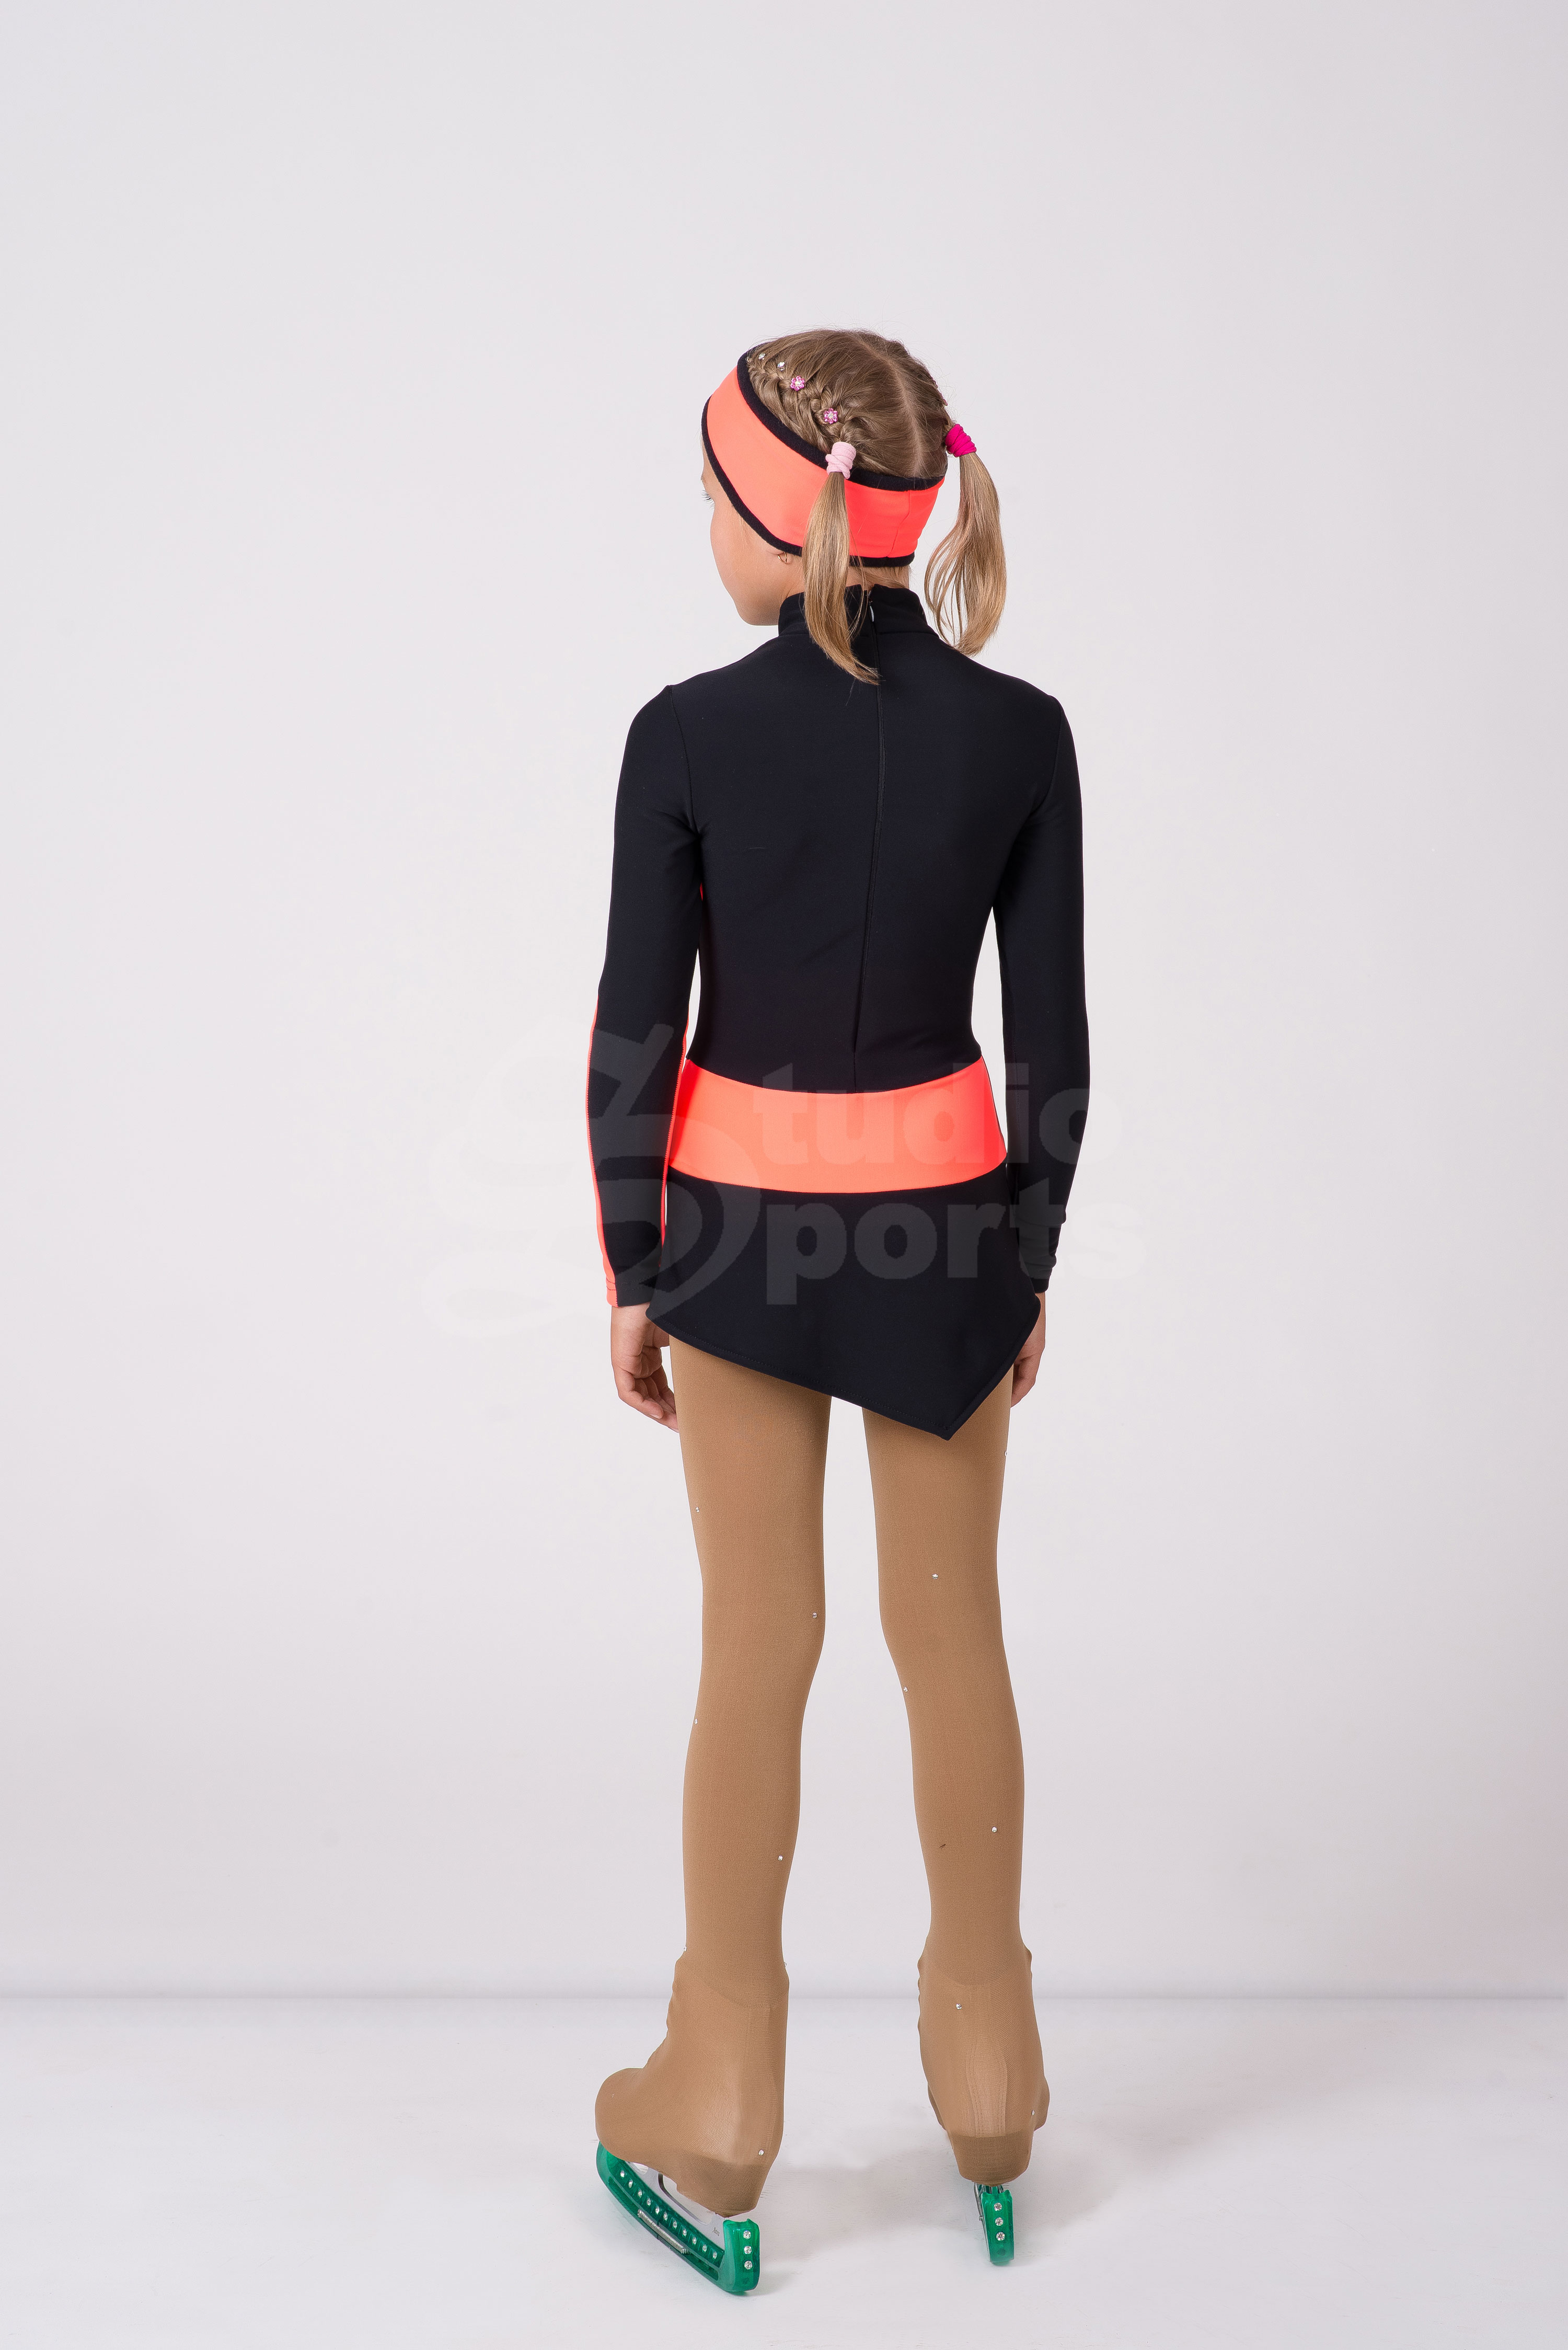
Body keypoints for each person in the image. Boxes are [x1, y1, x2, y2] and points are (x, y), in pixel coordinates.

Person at [585, 330, 1089, 2280]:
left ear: (779, 516)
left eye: (707, 494)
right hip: (946, 1243)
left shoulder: (685, 736)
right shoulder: (1022, 732)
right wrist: (1026, 1260)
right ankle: (993, 2086)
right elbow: (1053, 1043)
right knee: (954, 1642)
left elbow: (639, 1033)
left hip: (737, 1246)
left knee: (758, 1649)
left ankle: (718, 2102)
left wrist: (636, 1269)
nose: (697, 529)